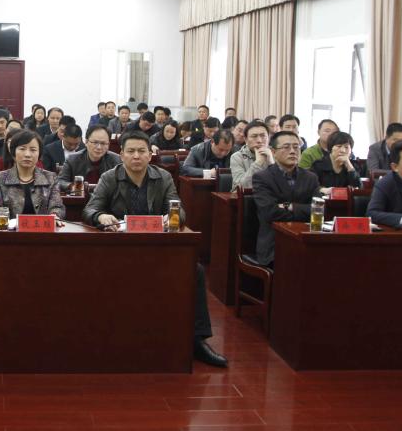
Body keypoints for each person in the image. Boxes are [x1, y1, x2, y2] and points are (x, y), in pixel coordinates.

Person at [83, 131, 227, 368]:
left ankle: (197, 340)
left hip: (156, 248)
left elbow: (178, 210)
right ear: (121, 154)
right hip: (119, 250)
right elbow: (90, 210)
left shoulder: (163, 177)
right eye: (131, 151)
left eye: (142, 151)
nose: (136, 156)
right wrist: (101, 216)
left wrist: (172, 218)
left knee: (196, 271)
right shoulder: (110, 177)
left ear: (150, 155)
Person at [252, 131, 321, 266]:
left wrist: (289, 206)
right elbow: (270, 212)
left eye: (296, 147)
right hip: (275, 244)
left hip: (306, 239)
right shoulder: (262, 178)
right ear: (273, 152)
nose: (293, 151)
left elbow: (318, 211)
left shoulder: (310, 177)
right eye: (286, 147)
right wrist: (303, 211)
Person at [0, 130, 64, 220]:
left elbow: (57, 206)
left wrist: (55, 215)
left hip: (42, 228)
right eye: (22, 149)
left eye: (33, 150)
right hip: (9, 227)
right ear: (13, 152)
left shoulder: (51, 178)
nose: (27, 154)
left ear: (39, 153)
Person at [59, 124, 121, 192]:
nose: (99, 147)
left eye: (103, 143)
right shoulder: (72, 159)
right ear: (86, 142)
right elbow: (61, 181)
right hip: (80, 197)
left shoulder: (116, 160)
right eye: (95, 142)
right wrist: (73, 186)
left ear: (108, 144)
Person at [229, 120, 273, 191]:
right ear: (246, 139)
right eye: (254, 136)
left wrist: (272, 163)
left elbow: (283, 186)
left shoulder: (276, 154)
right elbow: (240, 187)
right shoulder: (237, 157)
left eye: (263, 136)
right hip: (247, 196)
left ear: (269, 138)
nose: (259, 140)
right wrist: (258, 163)